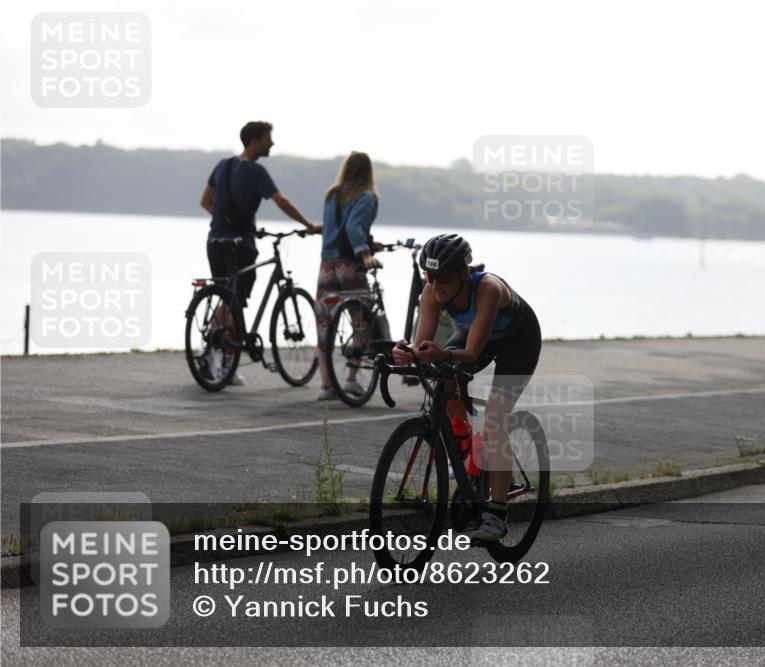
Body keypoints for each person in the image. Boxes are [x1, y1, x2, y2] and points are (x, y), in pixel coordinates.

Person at [392, 234, 542, 542]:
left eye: (443, 277)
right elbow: (423, 346)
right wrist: (408, 351)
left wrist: (439, 353)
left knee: (496, 418)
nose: (436, 285)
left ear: (463, 272)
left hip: (518, 340)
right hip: (476, 334)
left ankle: (497, 515)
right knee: (443, 376)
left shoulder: (487, 288)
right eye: (429, 276)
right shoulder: (431, 293)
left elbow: (472, 354)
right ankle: (466, 450)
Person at [199, 121, 320, 385]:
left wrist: (225, 223)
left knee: (226, 297)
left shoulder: (223, 165)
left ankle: (213, 355)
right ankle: (222, 363)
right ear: (254, 141)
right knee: (236, 301)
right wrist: (308, 225)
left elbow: (205, 201)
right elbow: (281, 201)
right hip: (240, 245)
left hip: (215, 241)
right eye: (268, 138)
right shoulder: (256, 172)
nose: (272, 143)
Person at [316, 152, 382, 401]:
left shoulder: (332, 194)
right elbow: (354, 228)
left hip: (327, 265)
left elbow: (336, 229)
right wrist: (365, 253)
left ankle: (325, 386)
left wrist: (372, 243)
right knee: (361, 319)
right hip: (350, 266)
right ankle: (351, 380)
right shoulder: (365, 196)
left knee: (324, 322)